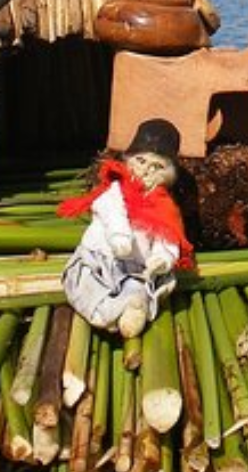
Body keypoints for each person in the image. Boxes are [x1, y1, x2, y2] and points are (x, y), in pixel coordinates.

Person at [57, 118, 195, 339]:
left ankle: (132, 306)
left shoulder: (165, 206)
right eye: (140, 161)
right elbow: (111, 210)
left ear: (170, 174)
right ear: (129, 159)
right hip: (99, 256)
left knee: (137, 286)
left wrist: (164, 258)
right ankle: (106, 314)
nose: (146, 171)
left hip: (135, 267)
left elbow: (168, 237)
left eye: (157, 167)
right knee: (84, 283)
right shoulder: (115, 190)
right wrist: (119, 236)